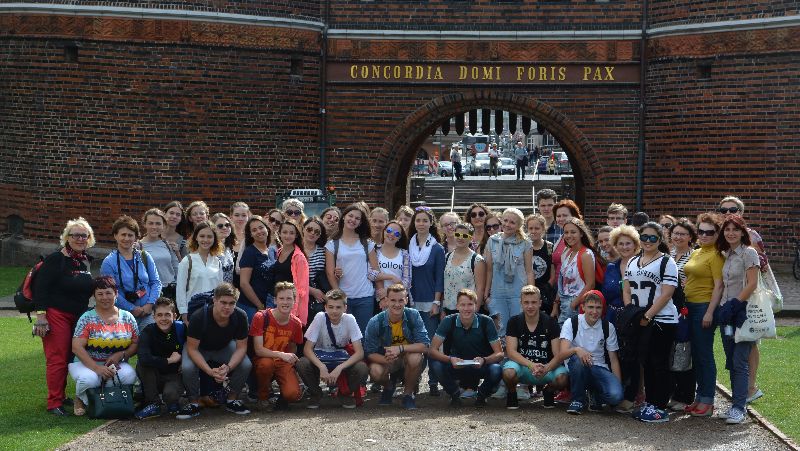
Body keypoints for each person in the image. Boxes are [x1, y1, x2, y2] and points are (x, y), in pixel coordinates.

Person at [33, 217, 96, 416]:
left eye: (84, 235)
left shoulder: (85, 260)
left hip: (78, 317)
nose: (80, 239)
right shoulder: (55, 259)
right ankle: (54, 402)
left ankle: (62, 395)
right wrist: (41, 317)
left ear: (89, 239)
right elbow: (40, 289)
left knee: (71, 357)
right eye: (75, 235)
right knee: (57, 359)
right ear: (67, 237)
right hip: (56, 315)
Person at [622, 222, 679, 423]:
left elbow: (667, 294)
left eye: (653, 238)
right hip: (640, 318)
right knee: (645, 362)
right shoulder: (632, 262)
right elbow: (627, 289)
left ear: (660, 239)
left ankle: (659, 406)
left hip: (662, 320)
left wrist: (648, 316)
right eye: (644, 237)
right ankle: (650, 402)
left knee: (659, 363)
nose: (647, 241)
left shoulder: (667, 262)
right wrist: (632, 312)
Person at [718, 195, 772, 403]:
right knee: (733, 353)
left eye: (732, 209)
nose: (728, 213)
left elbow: (755, 275)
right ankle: (742, 392)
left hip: (746, 307)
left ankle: (748, 389)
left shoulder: (750, 243)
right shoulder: (725, 246)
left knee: (747, 347)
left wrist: (735, 304)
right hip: (728, 307)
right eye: (723, 211)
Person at [177, 282, 251, 419]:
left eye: (231, 303)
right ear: (214, 300)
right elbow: (192, 349)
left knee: (246, 364)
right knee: (187, 367)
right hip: (199, 348)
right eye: (223, 302)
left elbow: (242, 347)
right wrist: (209, 371)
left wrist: (228, 367)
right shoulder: (199, 317)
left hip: (223, 347)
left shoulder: (240, 316)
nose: (227, 307)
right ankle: (193, 402)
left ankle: (232, 399)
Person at [68, 276, 139, 416]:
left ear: (116, 293)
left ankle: (105, 398)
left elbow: (136, 343)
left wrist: (122, 355)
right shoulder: (87, 318)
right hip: (87, 363)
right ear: (94, 296)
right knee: (90, 379)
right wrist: (96, 368)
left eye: (108, 293)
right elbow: (76, 347)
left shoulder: (127, 317)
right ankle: (80, 398)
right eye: (100, 294)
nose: (104, 297)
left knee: (129, 375)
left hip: (116, 363)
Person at [716, 215, 759, 424]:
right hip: (727, 314)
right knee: (731, 361)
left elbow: (752, 284)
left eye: (735, 229)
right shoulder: (728, 254)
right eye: (727, 229)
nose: (731, 233)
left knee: (739, 361)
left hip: (742, 315)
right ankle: (736, 403)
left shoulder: (749, 253)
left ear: (743, 232)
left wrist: (734, 305)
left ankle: (739, 407)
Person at [428, 289, 504, 407]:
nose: (466, 308)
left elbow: (499, 354)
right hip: (456, 364)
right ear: (457, 306)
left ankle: (481, 395)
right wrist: (450, 359)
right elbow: (432, 350)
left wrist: (484, 360)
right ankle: (455, 394)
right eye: (462, 305)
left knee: (496, 369)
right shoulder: (448, 321)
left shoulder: (486, 321)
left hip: (480, 365)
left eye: (470, 304)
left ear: (476, 305)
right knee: (435, 364)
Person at [296, 289, 369, 409]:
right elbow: (307, 349)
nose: (334, 311)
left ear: (345, 308)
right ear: (325, 307)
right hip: (321, 358)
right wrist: (321, 367)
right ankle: (316, 393)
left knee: (362, 368)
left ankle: (344, 394)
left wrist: (339, 368)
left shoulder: (350, 319)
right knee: (302, 363)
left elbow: (359, 353)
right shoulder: (320, 317)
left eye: (338, 307)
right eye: (331, 307)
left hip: (340, 359)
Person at [682, 213, 724, 417]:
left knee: (704, 354)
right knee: (696, 354)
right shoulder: (697, 252)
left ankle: (707, 400)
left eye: (710, 232)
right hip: (690, 306)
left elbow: (719, 286)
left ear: (717, 234)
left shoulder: (716, 254)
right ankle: (699, 397)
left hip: (703, 307)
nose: (705, 235)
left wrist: (709, 312)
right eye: (701, 231)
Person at [364, 284, 430, 410]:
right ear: (386, 300)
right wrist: (386, 360)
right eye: (393, 300)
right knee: (375, 371)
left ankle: (407, 394)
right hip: (387, 359)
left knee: (416, 358)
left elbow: (425, 345)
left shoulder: (413, 315)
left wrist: (400, 348)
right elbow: (369, 352)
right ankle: (388, 387)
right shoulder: (375, 321)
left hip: (406, 357)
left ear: (406, 300)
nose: (397, 304)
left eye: (401, 300)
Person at [502, 285, 568, 409]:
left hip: (545, 368)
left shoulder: (551, 322)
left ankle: (548, 391)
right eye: (526, 302)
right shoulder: (514, 322)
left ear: (540, 303)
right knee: (509, 373)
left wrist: (546, 368)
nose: (530, 306)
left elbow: (558, 354)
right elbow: (510, 352)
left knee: (563, 378)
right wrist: (531, 365)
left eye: (533, 302)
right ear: (521, 303)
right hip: (523, 367)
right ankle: (512, 393)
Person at [557, 291, 623, 415]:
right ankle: (577, 400)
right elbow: (562, 354)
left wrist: (617, 385)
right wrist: (577, 349)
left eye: (598, 307)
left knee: (616, 396)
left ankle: (595, 393)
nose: (595, 311)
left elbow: (613, 359)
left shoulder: (608, 326)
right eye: (591, 307)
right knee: (578, 360)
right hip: (577, 366)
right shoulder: (571, 322)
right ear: (583, 307)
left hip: (599, 367)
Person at [408, 206, 446, 395]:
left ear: (431, 223)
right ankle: (413, 380)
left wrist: (437, 302)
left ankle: (432, 381)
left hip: (430, 302)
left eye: (425, 220)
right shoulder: (408, 245)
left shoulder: (437, 248)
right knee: (415, 342)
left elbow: (440, 277)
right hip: (411, 302)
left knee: (431, 343)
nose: (421, 224)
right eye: (418, 220)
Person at [249, 282, 304, 411]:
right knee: (266, 365)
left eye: (289, 298)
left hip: (282, 361)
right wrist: (280, 354)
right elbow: (258, 349)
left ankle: (283, 396)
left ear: (294, 301)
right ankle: (263, 397)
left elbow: (293, 346)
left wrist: (289, 365)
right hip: (263, 359)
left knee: (293, 394)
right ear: (275, 300)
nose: (285, 302)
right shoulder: (261, 317)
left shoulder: (296, 323)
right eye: (281, 298)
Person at [325, 204, 379, 333]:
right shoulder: (332, 244)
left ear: (360, 223)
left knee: (363, 336)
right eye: (350, 216)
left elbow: (376, 270)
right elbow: (329, 273)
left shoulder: (368, 243)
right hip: (344, 298)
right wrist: (339, 295)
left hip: (365, 297)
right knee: (343, 336)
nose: (353, 219)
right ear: (344, 217)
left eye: (357, 218)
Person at [101, 215, 161, 330]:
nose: (127, 238)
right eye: (123, 235)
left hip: (148, 313)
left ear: (135, 237)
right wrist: (131, 308)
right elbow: (110, 291)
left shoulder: (144, 256)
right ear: (115, 236)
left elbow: (156, 282)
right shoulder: (109, 262)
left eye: (130, 235)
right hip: (122, 315)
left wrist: (150, 304)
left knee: (147, 345)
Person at [483, 208, 534, 338]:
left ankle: (517, 358)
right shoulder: (492, 240)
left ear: (518, 226)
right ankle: (503, 358)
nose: (507, 224)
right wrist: (486, 294)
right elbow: (488, 270)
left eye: (512, 222)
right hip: (497, 293)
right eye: (505, 220)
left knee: (519, 329)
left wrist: (531, 294)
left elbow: (529, 271)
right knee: (500, 330)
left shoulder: (526, 242)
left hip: (518, 293)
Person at [134, 297, 185, 419]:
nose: (163, 319)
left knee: (170, 396)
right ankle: (154, 404)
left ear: (174, 315)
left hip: (174, 375)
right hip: (154, 376)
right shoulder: (148, 331)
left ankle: (173, 402)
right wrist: (169, 360)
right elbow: (144, 358)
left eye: (167, 315)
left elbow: (193, 349)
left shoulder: (181, 329)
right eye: (160, 315)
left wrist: (184, 359)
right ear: (154, 316)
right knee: (142, 365)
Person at [667, 220, 697, 412]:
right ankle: (673, 391)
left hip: (686, 308)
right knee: (671, 351)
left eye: (682, 234)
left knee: (684, 350)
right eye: (675, 233)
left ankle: (685, 395)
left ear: (690, 237)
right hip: (669, 308)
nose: (678, 237)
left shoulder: (694, 256)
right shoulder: (667, 255)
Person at [175, 221, 225, 324]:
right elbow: (180, 290)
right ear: (196, 238)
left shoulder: (217, 262)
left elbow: (220, 291)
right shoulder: (187, 260)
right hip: (193, 311)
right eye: (202, 236)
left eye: (209, 236)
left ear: (214, 239)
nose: (205, 240)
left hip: (213, 312)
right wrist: (184, 315)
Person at [554, 217, 595, 326]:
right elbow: (563, 282)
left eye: (573, 232)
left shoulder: (586, 254)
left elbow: (590, 284)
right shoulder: (568, 252)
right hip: (563, 302)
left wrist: (573, 304)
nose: (569, 235)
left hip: (577, 303)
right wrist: (556, 303)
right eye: (566, 232)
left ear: (581, 233)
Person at [237, 216, 276, 324]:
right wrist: (259, 305)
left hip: (268, 304)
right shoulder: (249, 252)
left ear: (266, 228)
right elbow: (244, 283)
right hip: (250, 306)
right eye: (254, 230)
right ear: (250, 234)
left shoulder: (272, 251)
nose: (259, 231)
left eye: (261, 227)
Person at [443, 223, 486, 316]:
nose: (460, 238)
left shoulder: (477, 260)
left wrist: (475, 311)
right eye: (458, 234)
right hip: (448, 309)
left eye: (465, 235)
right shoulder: (447, 256)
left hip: (468, 310)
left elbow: (480, 288)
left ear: (471, 238)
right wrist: (443, 309)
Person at [602, 225, 641, 326]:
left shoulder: (643, 267)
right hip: (611, 318)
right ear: (616, 246)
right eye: (621, 244)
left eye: (628, 243)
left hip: (635, 318)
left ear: (635, 245)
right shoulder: (611, 267)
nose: (624, 247)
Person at [275, 220, 310, 326]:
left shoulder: (299, 257)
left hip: (290, 306)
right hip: (277, 301)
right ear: (279, 233)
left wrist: (294, 313)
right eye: (285, 232)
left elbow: (301, 289)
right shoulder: (279, 251)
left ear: (296, 236)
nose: (288, 236)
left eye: (291, 233)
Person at [139, 209, 180, 300]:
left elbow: (176, 267)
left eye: (158, 223)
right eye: (151, 223)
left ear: (163, 225)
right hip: (149, 292)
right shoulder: (139, 246)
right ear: (145, 224)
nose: (154, 227)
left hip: (169, 291)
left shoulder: (167, 244)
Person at [374, 221, 412, 308]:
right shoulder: (374, 250)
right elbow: (370, 274)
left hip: (399, 301)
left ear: (399, 238)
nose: (392, 234)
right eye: (389, 230)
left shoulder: (404, 254)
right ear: (384, 231)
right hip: (379, 300)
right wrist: (391, 277)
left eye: (397, 233)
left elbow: (407, 282)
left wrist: (387, 291)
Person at [551, 200, 583, 296]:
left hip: (571, 292)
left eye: (565, 215)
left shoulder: (576, 239)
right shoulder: (560, 238)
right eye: (558, 216)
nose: (561, 219)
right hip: (557, 289)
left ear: (574, 216)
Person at [526, 214, 556, 316]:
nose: (533, 231)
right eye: (530, 228)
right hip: (527, 291)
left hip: (545, 292)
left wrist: (545, 290)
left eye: (537, 228)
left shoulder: (549, 247)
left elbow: (553, 274)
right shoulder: (523, 247)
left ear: (543, 229)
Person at [303, 217, 329, 322]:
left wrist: (337, 272)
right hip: (300, 293)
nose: (313, 233)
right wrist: (312, 290)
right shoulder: (295, 249)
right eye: (309, 229)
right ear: (303, 229)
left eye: (317, 232)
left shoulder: (324, 251)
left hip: (319, 296)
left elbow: (328, 273)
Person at [211, 213, 237, 284]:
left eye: (227, 225)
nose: (225, 228)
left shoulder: (229, 248)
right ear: (213, 229)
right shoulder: (209, 249)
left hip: (227, 291)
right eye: (220, 226)